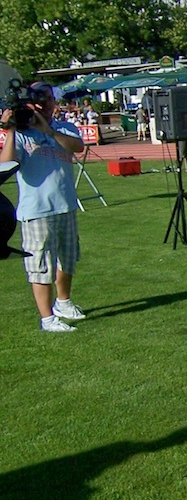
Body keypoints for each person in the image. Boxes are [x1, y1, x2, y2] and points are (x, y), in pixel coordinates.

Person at [0, 82, 87, 332]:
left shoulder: (64, 128)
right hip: (36, 209)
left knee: (67, 259)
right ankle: (47, 318)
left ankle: (64, 302)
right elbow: (5, 164)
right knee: (40, 266)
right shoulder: (22, 133)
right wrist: (11, 130)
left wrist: (48, 131)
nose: (44, 104)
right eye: (39, 100)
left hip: (65, 205)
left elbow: (78, 147)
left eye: (48, 98)